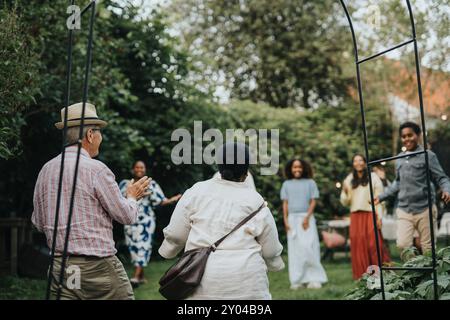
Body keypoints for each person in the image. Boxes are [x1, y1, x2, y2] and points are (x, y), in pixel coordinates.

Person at [32, 102, 150, 300]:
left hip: (63, 268)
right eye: (99, 133)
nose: (100, 138)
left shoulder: (46, 170)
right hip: (98, 268)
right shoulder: (97, 170)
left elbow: (38, 223)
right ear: (89, 135)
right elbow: (127, 216)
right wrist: (131, 196)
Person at [158, 142, 284, 299]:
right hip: (249, 285)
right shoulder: (255, 200)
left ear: (219, 166)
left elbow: (176, 235)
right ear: (246, 172)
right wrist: (275, 263)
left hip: (200, 279)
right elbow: (271, 249)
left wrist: (168, 250)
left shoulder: (197, 191)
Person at [374, 121, 450, 255]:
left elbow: (441, 177)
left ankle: (428, 275)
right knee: (403, 245)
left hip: (425, 207)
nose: (407, 139)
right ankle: (413, 274)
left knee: (427, 247)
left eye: (410, 135)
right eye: (404, 137)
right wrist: (380, 197)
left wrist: (447, 189)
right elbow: (398, 183)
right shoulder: (399, 159)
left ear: (418, 135)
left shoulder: (428, 155)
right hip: (404, 209)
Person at [119, 160, 181, 287]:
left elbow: (161, 201)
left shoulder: (151, 184)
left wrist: (172, 200)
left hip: (146, 222)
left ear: (145, 169)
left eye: (142, 167)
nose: (139, 169)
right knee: (133, 247)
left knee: (143, 246)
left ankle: (136, 277)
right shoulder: (126, 184)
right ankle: (141, 277)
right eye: (137, 167)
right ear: (133, 169)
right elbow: (118, 201)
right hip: (129, 221)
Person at [340, 154, 391, 280]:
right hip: (356, 215)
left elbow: (380, 199)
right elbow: (345, 201)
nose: (358, 163)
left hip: (370, 213)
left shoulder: (373, 177)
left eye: (361, 160)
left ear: (365, 162)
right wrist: (346, 192)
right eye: (355, 161)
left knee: (374, 244)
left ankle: (380, 273)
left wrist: (379, 216)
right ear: (353, 164)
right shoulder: (349, 179)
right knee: (358, 246)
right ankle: (362, 276)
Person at [281, 158, 327, 289]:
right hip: (292, 219)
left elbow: (313, 201)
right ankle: (297, 280)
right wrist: (286, 220)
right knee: (295, 250)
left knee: (309, 247)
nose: (297, 170)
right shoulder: (286, 184)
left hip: (306, 218)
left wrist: (307, 217)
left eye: (299, 167)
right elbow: (285, 203)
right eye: (294, 167)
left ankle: (314, 279)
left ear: (304, 168)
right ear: (291, 169)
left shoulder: (311, 183)